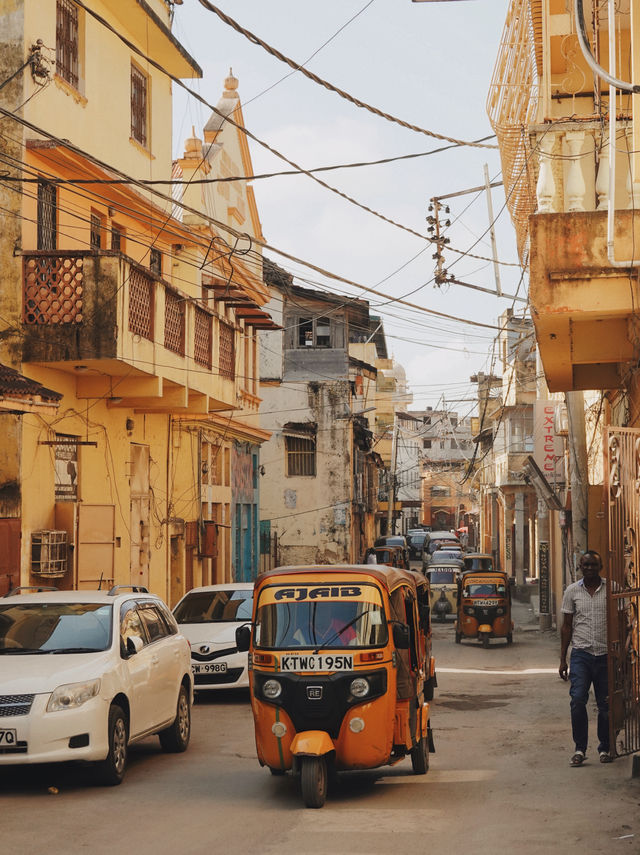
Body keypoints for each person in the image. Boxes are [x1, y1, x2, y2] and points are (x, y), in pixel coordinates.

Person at [559, 550, 612, 766]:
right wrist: (563, 659)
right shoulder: (572, 591)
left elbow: (622, 621)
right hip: (581, 654)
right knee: (578, 701)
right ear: (580, 567)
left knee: (606, 705)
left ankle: (605, 748)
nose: (589, 569)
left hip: (605, 655)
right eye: (585, 565)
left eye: (593, 565)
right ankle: (580, 749)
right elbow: (567, 626)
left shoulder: (612, 589)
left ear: (600, 567)